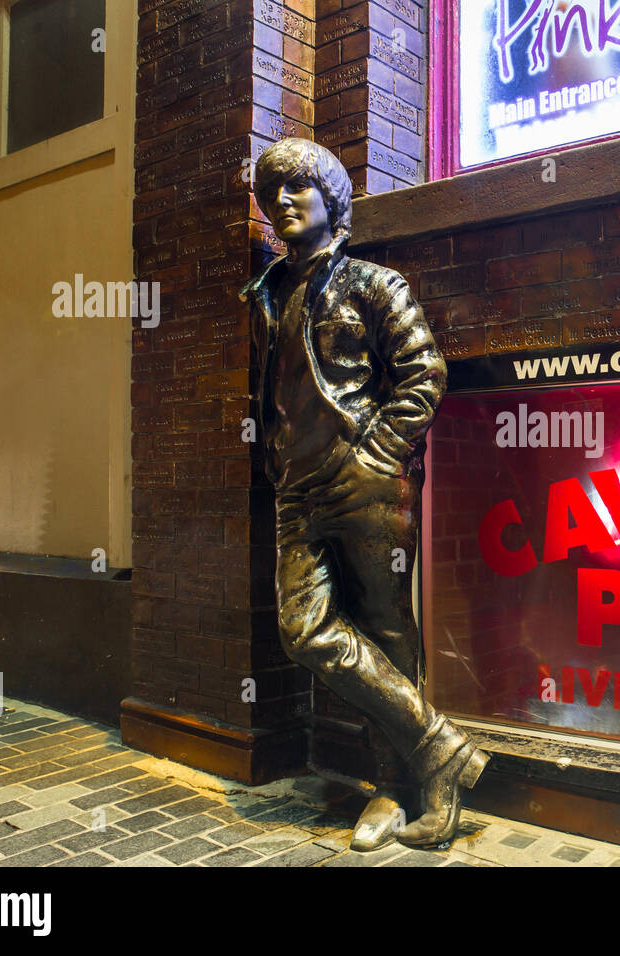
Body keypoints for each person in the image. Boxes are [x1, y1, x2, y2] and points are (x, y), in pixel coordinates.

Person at [240, 138, 487, 849]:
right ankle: (439, 745)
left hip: (363, 481)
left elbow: (424, 375)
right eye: (272, 191)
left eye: (297, 186)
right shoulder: (266, 293)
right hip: (295, 489)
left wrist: (375, 452)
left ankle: (397, 789)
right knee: (304, 629)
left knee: (384, 629)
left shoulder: (375, 286)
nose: (281, 200)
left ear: (332, 199)